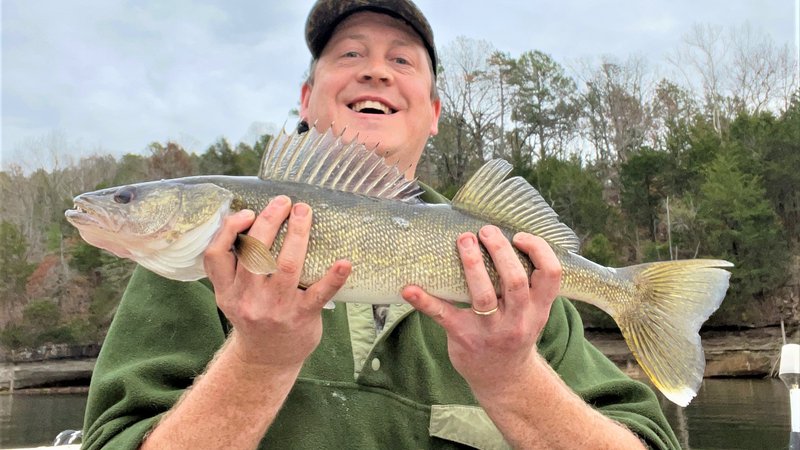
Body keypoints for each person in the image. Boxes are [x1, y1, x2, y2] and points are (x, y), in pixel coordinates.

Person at [81, 1, 680, 448]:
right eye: (349, 55)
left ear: (435, 112)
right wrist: (259, 361)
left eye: (401, 59)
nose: (376, 72)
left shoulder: (524, 293)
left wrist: (513, 377)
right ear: (306, 98)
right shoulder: (201, 261)